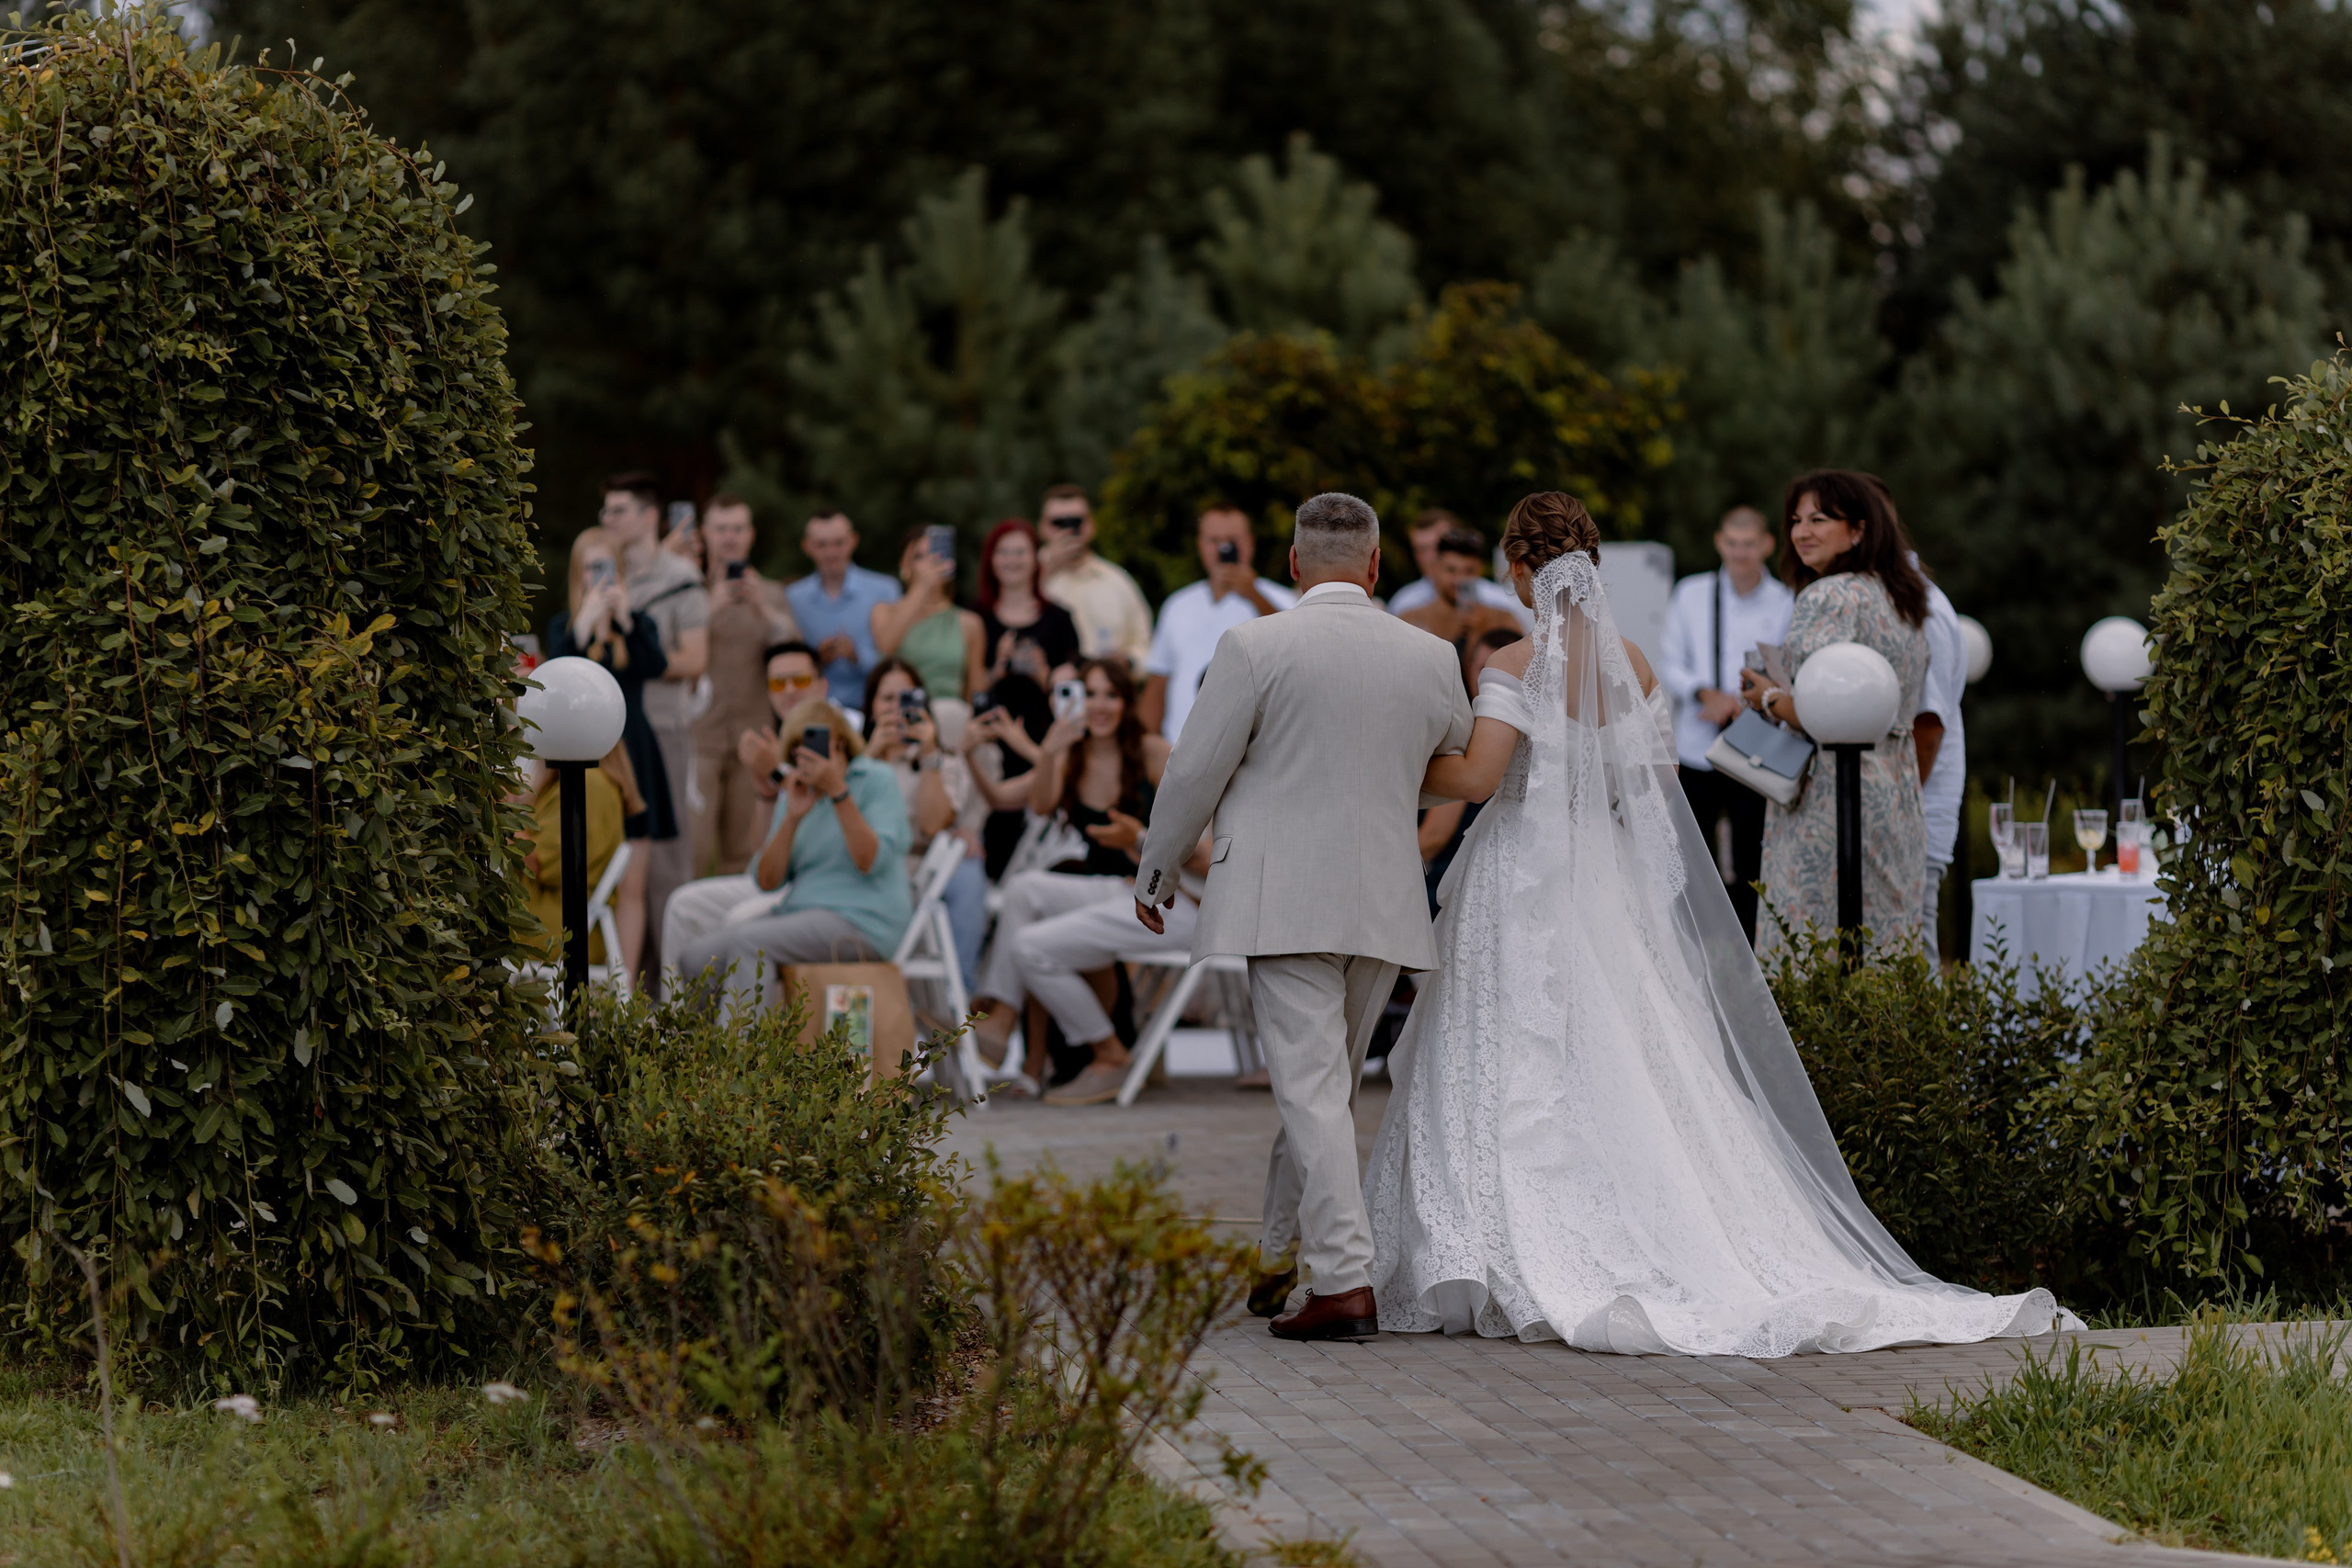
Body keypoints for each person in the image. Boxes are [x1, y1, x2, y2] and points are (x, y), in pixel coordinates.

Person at [1366, 489, 2074, 1354]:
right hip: (1607, 885)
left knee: (1510, 1048)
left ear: (1523, 570)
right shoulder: (1638, 666)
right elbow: (1648, 790)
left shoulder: (1513, 666)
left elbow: (1478, 781)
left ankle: (1498, 1241)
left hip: (1519, 878)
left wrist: (1394, 760)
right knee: (1623, 1052)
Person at [1132, 491, 1472, 1342]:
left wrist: (1156, 868)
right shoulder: (1430, 655)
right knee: (1323, 1088)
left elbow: (1193, 770)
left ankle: (1344, 1284)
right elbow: (1446, 765)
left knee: (1313, 1091)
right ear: (1375, 563)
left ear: (1291, 564)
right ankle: (1280, 1254)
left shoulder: (1253, 644)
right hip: (1386, 895)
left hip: (1281, 896)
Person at [967, 660, 1193, 1104]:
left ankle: (1103, 1052)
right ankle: (1001, 1019)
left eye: (1110, 695)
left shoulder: (1150, 751)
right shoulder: (1073, 749)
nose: (1099, 705)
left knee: (1029, 941)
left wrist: (1138, 838)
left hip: (1158, 897)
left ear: (1127, 702)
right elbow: (1040, 803)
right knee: (1023, 888)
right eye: (1089, 694)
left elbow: (1193, 834)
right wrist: (1050, 751)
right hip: (1108, 889)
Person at [1739, 471, 1933, 958]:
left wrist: (1766, 696)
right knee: (1885, 945)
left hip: (1832, 794)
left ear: (1859, 530)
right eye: (1795, 520)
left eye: (1820, 519)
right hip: (1895, 788)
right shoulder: (1903, 597)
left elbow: (1821, 711)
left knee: (1817, 944)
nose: (1802, 531)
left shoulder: (1827, 596)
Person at [673, 696, 910, 1022]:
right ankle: (695, 1059)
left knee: (750, 942)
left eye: (818, 747)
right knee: (696, 959)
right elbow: (766, 882)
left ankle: (733, 1066)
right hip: (802, 914)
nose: (808, 759)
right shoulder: (798, 790)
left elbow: (870, 860)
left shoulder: (875, 779)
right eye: (798, 751)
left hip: (863, 921)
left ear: (840, 745)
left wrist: (839, 793)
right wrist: (792, 818)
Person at [1657, 505, 1795, 944]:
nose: (1740, 553)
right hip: (1698, 745)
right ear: (1720, 542)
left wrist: (1749, 702)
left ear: (1766, 546)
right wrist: (1704, 693)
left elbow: (1789, 666)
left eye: (1749, 544)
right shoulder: (1691, 593)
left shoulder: (1786, 601)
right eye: (1733, 544)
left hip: (1758, 744)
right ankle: (1695, 948)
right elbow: (1670, 661)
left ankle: (1752, 951)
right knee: (1692, 856)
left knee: (1754, 854)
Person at [657, 640, 828, 971]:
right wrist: (765, 793)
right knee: (681, 904)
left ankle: (738, 1021)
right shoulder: (778, 739)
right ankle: (677, 1019)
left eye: (800, 681)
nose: (789, 691)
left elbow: (827, 800)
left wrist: (776, 771)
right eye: (778, 683)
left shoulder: (844, 729)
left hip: (822, 884)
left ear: (822, 685)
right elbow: (761, 850)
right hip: (780, 880)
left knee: (740, 920)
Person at [544, 526, 669, 976]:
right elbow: (552, 674)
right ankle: (577, 974)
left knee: (633, 883)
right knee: (581, 869)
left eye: (606, 566)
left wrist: (627, 619)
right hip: (583, 761)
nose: (598, 577)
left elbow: (657, 665)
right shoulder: (563, 625)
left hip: (634, 753)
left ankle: (626, 989)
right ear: (578, 573)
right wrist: (584, 623)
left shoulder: (638, 624)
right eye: (590, 567)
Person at [600, 473, 709, 984]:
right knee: (613, 862)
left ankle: (670, 998)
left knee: (666, 865)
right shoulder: (600, 573)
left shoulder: (682, 577)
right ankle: (621, 990)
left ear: (649, 517)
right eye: (606, 510)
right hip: (603, 733)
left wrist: (632, 652)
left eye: (618, 510)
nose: (607, 519)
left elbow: (695, 659)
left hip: (660, 729)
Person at [690, 493, 799, 878]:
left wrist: (765, 611)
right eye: (721, 528)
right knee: (694, 849)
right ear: (705, 534)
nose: (730, 537)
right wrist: (709, 608)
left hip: (753, 736)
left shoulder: (771, 593)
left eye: (737, 528)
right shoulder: (690, 592)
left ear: (751, 535)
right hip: (700, 738)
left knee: (742, 852)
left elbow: (796, 651)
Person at [861, 658, 988, 982]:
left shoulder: (941, 759)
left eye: (906, 698)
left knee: (969, 873)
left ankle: (959, 997)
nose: (896, 709)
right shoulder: (857, 760)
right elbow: (839, 817)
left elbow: (933, 825)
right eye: (887, 699)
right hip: (865, 866)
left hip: (917, 869)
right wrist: (871, 756)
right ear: (871, 706)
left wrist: (928, 753)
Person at [1138, 506, 1296, 744]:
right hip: (1180, 749)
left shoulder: (1282, 600)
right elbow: (1158, 682)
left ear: (1250, 543)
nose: (1223, 548)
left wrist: (1252, 595)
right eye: (1214, 540)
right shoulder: (1178, 604)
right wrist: (1147, 742)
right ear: (1200, 545)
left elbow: (1295, 650)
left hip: (1254, 755)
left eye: (1232, 540)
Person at [1418, 626, 1522, 916]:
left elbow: (1436, 833)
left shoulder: (1476, 734)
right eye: (1481, 669)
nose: (1486, 681)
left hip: (1457, 875)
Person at [514, 745, 639, 963]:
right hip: (555, 918)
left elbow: (543, 865)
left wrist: (500, 812)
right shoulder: (579, 780)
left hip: (557, 925)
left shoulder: (590, 782)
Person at [784, 511, 901, 708]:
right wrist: (817, 659)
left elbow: (898, 659)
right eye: (821, 544)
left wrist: (857, 656)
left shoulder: (885, 590)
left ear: (854, 541)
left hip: (872, 707)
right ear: (806, 546)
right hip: (813, 708)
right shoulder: (793, 598)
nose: (831, 552)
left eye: (838, 543)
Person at [1038, 483, 1154, 669]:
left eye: (1076, 522)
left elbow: (1144, 644)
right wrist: (1045, 571)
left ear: (1091, 525)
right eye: (1058, 523)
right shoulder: (1022, 577)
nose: (1068, 531)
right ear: (1042, 528)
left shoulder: (1117, 582)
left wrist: (1128, 662)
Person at [1915, 566, 1967, 964]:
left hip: (1914, 815)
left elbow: (1928, 725)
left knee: (1914, 955)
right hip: (1899, 816)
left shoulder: (1921, 606)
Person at [873, 531, 987, 703]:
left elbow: (975, 689)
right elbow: (886, 646)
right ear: (905, 565)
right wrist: (921, 588)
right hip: (899, 710)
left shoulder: (969, 623)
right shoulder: (884, 611)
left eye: (935, 555)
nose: (929, 563)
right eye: (919, 557)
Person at [976, 517, 1080, 683]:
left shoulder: (1060, 619)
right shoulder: (974, 617)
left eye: (1020, 552)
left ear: (1036, 559)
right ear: (991, 559)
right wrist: (998, 669)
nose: (1012, 560)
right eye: (1003, 552)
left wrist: (1045, 674)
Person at [1397, 526, 1530, 654]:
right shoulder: (1411, 620)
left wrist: (1481, 633)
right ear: (1435, 569)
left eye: (1469, 571)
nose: (1459, 580)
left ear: (1479, 570)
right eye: (1451, 570)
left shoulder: (1503, 619)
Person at [1388, 508, 1526, 622]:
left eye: (1438, 547)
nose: (1429, 557)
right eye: (1420, 549)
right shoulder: (1404, 604)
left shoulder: (1500, 603)